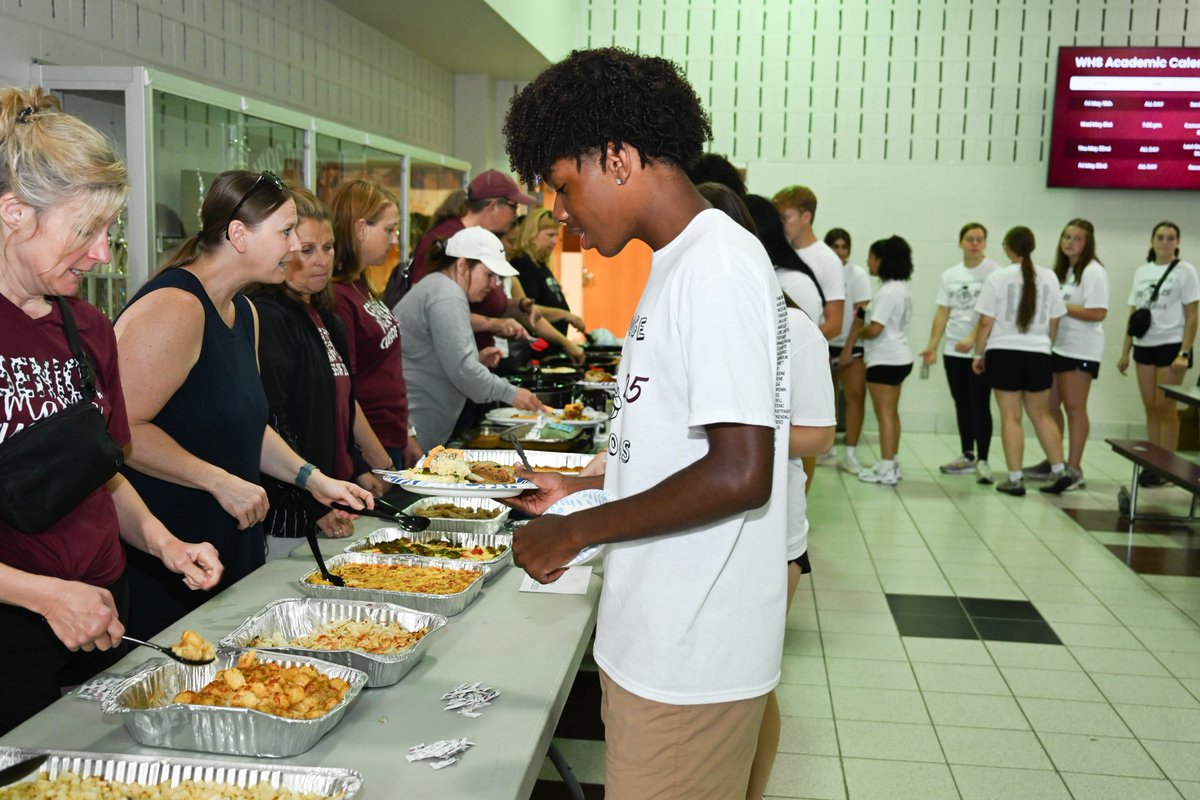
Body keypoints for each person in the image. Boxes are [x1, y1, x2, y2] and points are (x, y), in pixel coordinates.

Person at [503, 47, 790, 799]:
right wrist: (578, 485)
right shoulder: (677, 260)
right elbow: (674, 441)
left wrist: (575, 532)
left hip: (690, 656)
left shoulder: (717, 267)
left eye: (564, 186)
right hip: (660, 637)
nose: (558, 211)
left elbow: (740, 473)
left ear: (620, 158)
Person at [0, 87, 222, 735]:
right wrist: (43, 596)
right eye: (86, 231)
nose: (103, 254)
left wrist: (164, 543)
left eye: (109, 232)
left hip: (100, 610)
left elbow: (102, 471)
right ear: (14, 212)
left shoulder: (89, 329)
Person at [114, 170, 373, 639]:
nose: (295, 246)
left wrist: (313, 478)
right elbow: (121, 430)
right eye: (286, 232)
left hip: (232, 542)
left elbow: (247, 427)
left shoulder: (244, 311)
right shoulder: (176, 307)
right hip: (175, 553)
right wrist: (218, 480)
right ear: (238, 235)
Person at [251, 187, 388, 558]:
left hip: (335, 499)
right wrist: (314, 504)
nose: (321, 261)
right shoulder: (270, 316)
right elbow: (273, 422)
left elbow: (340, 409)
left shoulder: (328, 318)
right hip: (293, 514)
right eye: (306, 250)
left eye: (327, 248)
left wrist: (358, 468)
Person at [395, 227, 546, 448]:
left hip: (416, 426)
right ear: (463, 265)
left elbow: (438, 359)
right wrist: (513, 394)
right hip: (413, 429)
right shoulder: (447, 295)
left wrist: (477, 359)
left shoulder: (439, 287)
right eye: (489, 274)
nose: (494, 284)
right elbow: (462, 371)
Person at [971, 227, 1070, 496]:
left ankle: (1015, 479)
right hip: (1039, 352)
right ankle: (1059, 470)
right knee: (1042, 415)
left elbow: (985, 322)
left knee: (1010, 416)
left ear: (1008, 248)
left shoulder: (998, 277)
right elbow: (1055, 320)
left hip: (1004, 352)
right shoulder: (1049, 277)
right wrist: (1045, 345)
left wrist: (978, 355)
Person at [328, 179, 419, 469]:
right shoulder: (338, 298)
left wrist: (407, 432)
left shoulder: (361, 284)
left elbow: (387, 370)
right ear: (360, 228)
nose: (395, 240)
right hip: (369, 445)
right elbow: (343, 390)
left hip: (391, 437)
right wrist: (374, 454)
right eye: (389, 230)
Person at [406, 170, 538, 354]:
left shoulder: (480, 240)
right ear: (493, 206)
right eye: (513, 206)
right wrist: (493, 325)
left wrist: (518, 306)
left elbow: (482, 305)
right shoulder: (451, 239)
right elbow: (432, 310)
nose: (516, 216)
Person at [1027, 219, 1108, 492]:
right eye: (1066, 236)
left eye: (1077, 238)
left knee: (1074, 408)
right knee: (1050, 407)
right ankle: (1056, 463)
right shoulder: (1061, 272)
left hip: (1080, 348)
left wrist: (1061, 306)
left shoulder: (1094, 272)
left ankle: (1074, 468)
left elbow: (1098, 312)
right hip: (1056, 346)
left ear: (1087, 244)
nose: (1069, 242)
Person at [919, 223, 1001, 483]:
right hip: (953, 350)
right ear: (961, 243)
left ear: (985, 243)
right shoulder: (950, 275)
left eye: (979, 239)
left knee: (980, 403)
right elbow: (943, 312)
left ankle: (984, 459)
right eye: (969, 239)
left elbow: (991, 313)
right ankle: (968, 454)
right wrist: (932, 346)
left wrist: (973, 338)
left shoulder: (995, 273)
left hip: (980, 351)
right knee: (962, 403)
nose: (974, 243)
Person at [1118, 221, 1199, 471]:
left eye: (1170, 238)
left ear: (1177, 242)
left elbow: (1193, 315)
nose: (1165, 242)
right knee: (1150, 406)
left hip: (1171, 344)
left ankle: (1167, 465)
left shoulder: (1185, 271)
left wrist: (1184, 352)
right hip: (1145, 343)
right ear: (1152, 241)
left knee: (1166, 406)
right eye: (1160, 237)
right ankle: (1152, 464)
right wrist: (1125, 352)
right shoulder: (1142, 271)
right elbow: (1135, 314)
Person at [857, 236, 915, 486]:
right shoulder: (901, 288)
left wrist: (858, 331)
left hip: (885, 360)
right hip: (899, 356)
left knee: (885, 415)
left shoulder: (888, 291)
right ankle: (891, 462)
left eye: (871, 257)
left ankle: (887, 468)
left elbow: (875, 329)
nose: (868, 262)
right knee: (891, 414)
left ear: (882, 261)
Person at [821, 227, 871, 474]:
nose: (840, 251)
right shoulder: (820, 271)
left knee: (854, 397)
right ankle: (826, 447)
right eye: (835, 246)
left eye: (844, 246)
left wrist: (849, 349)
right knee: (826, 399)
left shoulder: (857, 274)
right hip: (825, 343)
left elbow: (861, 312)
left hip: (850, 346)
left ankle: (850, 453)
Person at [508, 207, 587, 361]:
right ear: (531, 234)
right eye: (550, 235)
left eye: (556, 236)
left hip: (550, 351)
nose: (554, 241)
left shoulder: (540, 265)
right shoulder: (523, 265)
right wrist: (565, 315)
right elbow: (528, 309)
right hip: (534, 354)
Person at [771, 185, 845, 340]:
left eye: (785, 218)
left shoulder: (828, 260)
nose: (780, 224)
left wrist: (800, 344)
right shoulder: (779, 254)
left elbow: (834, 324)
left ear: (806, 217)